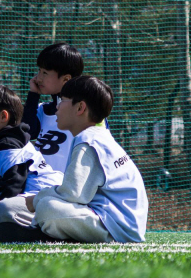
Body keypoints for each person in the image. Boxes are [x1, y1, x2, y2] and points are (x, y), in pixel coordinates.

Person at [23, 75, 148, 243]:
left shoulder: (88, 141)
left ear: (80, 107)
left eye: (63, 100)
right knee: (42, 204)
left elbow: (72, 194)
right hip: (117, 222)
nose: (58, 107)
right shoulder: (96, 136)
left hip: (116, 228)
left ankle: (42, 232)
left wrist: (37, 199)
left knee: (47, 207)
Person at [0, 84, 62, 241]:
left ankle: (46, 233)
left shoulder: (7, 143)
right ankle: (32, 231)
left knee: (3, 209)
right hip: (40, 202)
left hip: (46, 202)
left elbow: (14, 184)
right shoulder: (6, 139)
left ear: (3, 116)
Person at [21, 43, 84, 175]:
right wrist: (33, 95)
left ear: (66, 79)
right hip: (39, 187)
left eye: (45, 73)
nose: (38, 78)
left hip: (67, 191)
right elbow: (27, 133)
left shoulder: (85, 111)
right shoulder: (43, 109)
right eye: (39, 71)